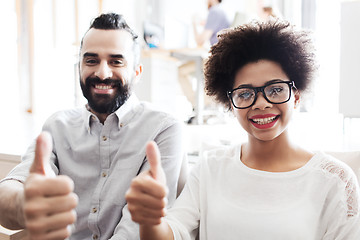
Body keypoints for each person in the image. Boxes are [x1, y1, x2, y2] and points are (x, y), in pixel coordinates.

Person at [125, 19, 360, 239]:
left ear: (296, 97)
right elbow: (172, 233)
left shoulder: (335, 181)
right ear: (230, 103)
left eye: (276, 89)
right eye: (246, 94)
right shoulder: (210, 169)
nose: (261, 103)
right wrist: (150, 221)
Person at [0, 13, 184, 240]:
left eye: (116, 61)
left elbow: (135, 231)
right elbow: (10, 190)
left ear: (137, 72)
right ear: (80, 67)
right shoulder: (57, 126)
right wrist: (23, 204)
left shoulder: (163, 128)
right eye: (91, 60)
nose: (102, 73)